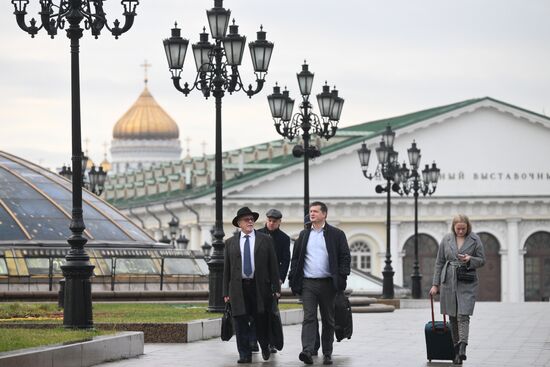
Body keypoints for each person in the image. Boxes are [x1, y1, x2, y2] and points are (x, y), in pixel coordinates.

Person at [289, 201, 351, 365]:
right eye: (311, 211)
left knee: (328, 319)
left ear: (324, 214)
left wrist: (342, 277)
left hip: (328, 284)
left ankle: (327, 352)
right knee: (309, 317)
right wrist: (292, 278)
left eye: (316, 211)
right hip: (308, 283)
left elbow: (345, 257)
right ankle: (308, 351)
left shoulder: (337, 234)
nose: (312, 214)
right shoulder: (303, 235)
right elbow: (295, 259)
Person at [223, 207, 281, 364]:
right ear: (239, 224)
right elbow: (226, 270)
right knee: (240, 321)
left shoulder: (265, 239)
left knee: (260, 319)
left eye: (251, 219)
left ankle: (264, 345)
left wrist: (276, 288)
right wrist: (225, 292)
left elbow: (273, 266)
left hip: (259, 287)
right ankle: (244, 354)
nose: (250, 222)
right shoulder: (230, 243)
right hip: (238, 288)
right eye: (246, 220)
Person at [429, 214, 486, 365]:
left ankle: (463, 348)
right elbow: (439, 262)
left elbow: (482, 260)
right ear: (453, 227)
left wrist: (470, 260)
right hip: (448, 280)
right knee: (453, 317)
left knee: (463, 315)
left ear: (468, 227)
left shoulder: (475, 240)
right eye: (458, 228)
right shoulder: (446, 239)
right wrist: (435, 285)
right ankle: (456, 352)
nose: (460, 231)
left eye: (463, 228)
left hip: (467, 281)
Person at [255, 208, 291, 354]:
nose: (271, 223)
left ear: (279, 222)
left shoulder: (284, 238)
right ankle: (254, 341)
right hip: (257, 279)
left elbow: (285, 260)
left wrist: (280, 278)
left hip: (273, 281)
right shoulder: (257, 234)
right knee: (255, 311)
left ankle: (271, 342)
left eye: (274, 221)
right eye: (269, 220)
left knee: (271, 312)